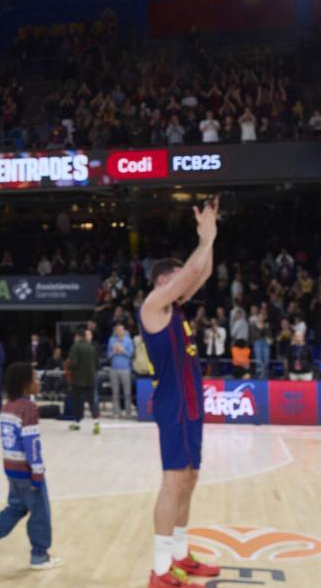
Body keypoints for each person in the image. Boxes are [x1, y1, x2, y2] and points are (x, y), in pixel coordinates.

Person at [139, 197, 222, 588]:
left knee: (189, 479)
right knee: (173, 482)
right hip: (173, 404)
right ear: (162, 282)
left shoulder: (178, 309)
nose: (185, 284)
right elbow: (192, 270)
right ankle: (159, 570)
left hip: (192, 403)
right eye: (177, 279)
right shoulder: (153, 307)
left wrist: (212, 238)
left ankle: (180, 555)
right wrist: (203, 240)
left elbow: (199, 274)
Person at [0, 363, 62, 571]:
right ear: (25, 384)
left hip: (10, 467)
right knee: (40, 511)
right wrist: (38, 472)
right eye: (35, 378)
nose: (38, 382)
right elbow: (31, 444)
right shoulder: (28, 408)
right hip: (26, 469)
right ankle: (39, 555)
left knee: (16, 507)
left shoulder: (7, 406)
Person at [67, 328, 101, 433]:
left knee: (77, 402)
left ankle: (77, 423)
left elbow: (74, 364)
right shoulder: (92, 348)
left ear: (77, 336)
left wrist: (69, 367)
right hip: (90, 380)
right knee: (92, 402)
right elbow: (97, 364)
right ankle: (96, 423)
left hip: (77, 380)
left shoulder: (75, 347)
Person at [107, 323, 134, 418]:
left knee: (127, 392)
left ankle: (128, 413)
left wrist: (122, 350)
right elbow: (108, 356)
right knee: (115, 392)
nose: (119, 331)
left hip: (125, 370)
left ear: (124, 331)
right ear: (115, 331)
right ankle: (116, 412)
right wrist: (114, 351)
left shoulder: (129, 341)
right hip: (114, 370)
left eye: (121, 330)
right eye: (117, 330)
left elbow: (130, 355)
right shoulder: (111, 340)